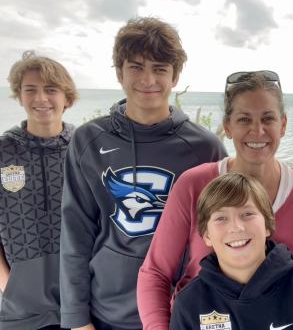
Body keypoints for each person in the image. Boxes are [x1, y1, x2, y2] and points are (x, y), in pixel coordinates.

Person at [59, 17, 228, 330]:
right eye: (136, 67)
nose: (148, 79)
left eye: (160, 68)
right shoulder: (88, 140)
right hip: (109, 310)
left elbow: (221, 233)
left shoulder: (206, 148)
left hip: (183, 307)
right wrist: (75, 319)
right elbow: (75, 233)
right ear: (119, 74)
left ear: (175, 77)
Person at [138, 71, 293, 330]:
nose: (257, 130)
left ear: (283, 125)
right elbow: (155, 274)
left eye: (268, 118)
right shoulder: (193, 186)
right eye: (244, 119)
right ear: (227, 127)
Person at [169, 173, 293, 330]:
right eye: (221, 218)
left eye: (247, 214)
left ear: (267, 225)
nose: (236, 227)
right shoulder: (188, 302)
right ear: (206, 236)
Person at [0, 51, 78, 330]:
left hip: (80, 299)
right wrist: (8, 284)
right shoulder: (3, 151)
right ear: (19, 97)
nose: (40, 98)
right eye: (30, 90)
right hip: (21, 307)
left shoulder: (84, 149)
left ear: (67, 98)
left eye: (51, 90)